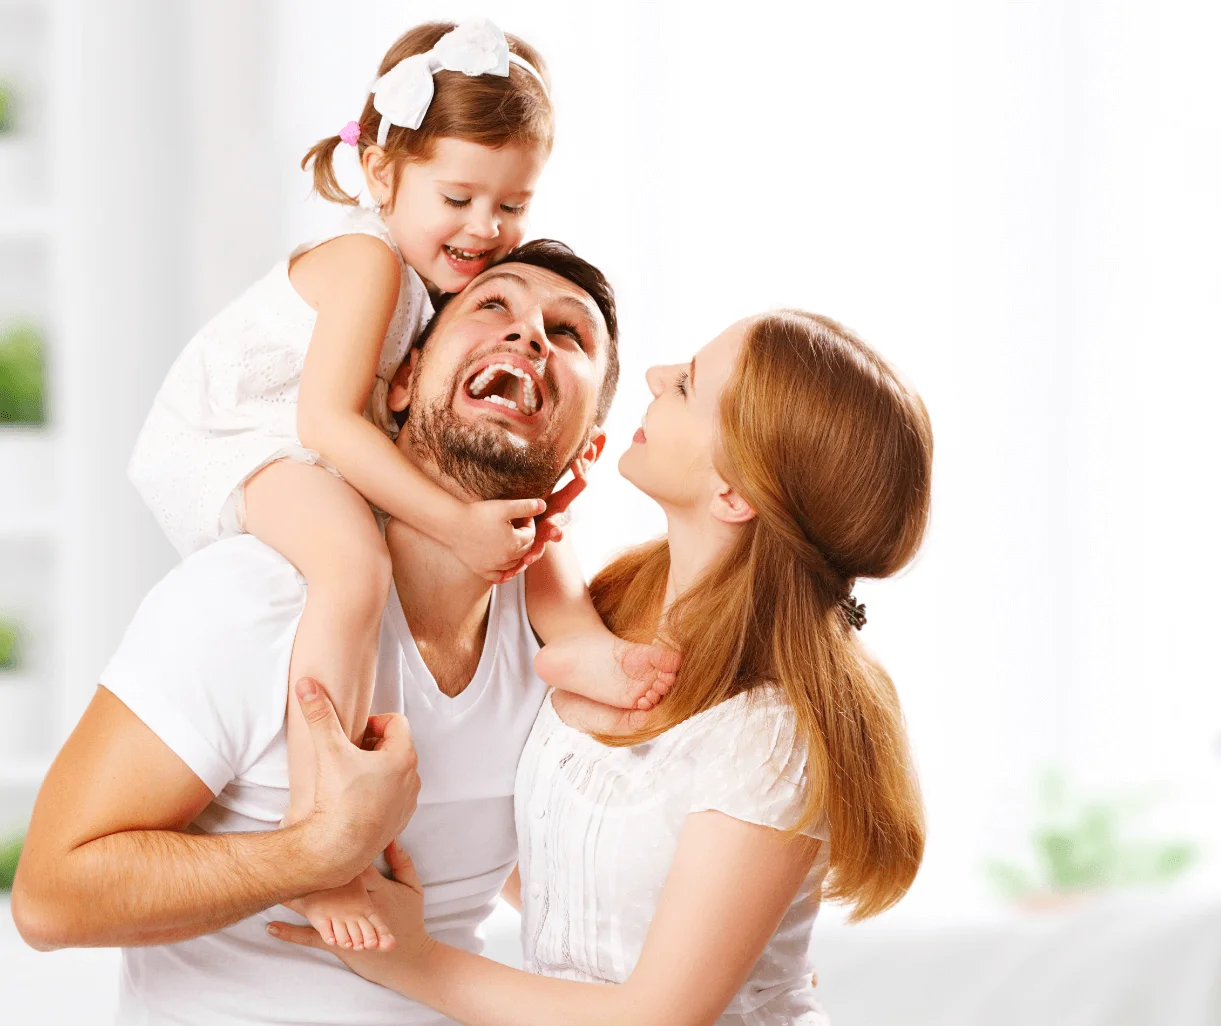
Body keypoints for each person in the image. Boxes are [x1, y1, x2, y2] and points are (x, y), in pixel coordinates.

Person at [125, 18, 673, 951]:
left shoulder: (437, 282)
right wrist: (456, 527)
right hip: (238, 436)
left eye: (512, 205)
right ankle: (323, 833)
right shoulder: (370, 260)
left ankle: (575, 636)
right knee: (352, 566)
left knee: (503, 488)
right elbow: (326, 423)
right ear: (381, 174)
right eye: (459, 197)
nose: (486, 230)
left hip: (321, 434)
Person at [11, 243, 628, 1026]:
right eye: (493, 305)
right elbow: (49, 898)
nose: (529, 334)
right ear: (402, 380)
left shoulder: (559, 644)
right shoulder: (255, 595)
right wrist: (312, 854)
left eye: (567, 333)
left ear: (588, 450)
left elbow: (528, 869)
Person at [271, 310, 934, 1025]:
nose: (654, 376)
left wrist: (412, 958)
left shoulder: (768, 735)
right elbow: (579, 861)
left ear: (734, 495)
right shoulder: (606, 618)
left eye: (686, 386)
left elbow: (656, 1017)